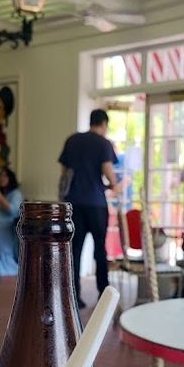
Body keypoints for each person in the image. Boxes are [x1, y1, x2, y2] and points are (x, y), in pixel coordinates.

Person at [58, 108, 120, 309]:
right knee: (100, 249)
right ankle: (104, 294)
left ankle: (74, 296)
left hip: (73, 203)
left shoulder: (72, 140)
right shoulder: (103, 143)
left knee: (74, 250)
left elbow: (65, 172)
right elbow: (107, 170)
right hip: (96, 204)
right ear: (103, 124)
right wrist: (115, 185)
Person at [0, 167, 23, 277]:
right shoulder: (4, 193)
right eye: (0, 176)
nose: (1, 178)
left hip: (8, 227)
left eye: (4, 176)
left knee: (6, 251)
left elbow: (12, 209)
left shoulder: (16, 194)